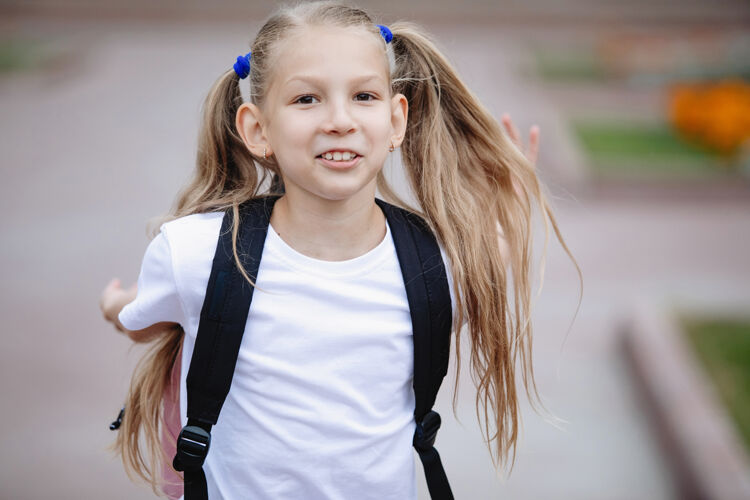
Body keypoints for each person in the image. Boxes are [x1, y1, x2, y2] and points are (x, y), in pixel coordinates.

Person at [100, 2, 581, 499]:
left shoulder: (433, 268)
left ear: (396, 121)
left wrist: (510, 205)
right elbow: (141, 317)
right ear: (257, 129)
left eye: (363, 96)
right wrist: (113, 302)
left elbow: (488, 262)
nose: (339, 120)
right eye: (307, 99)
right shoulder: (196, 255)